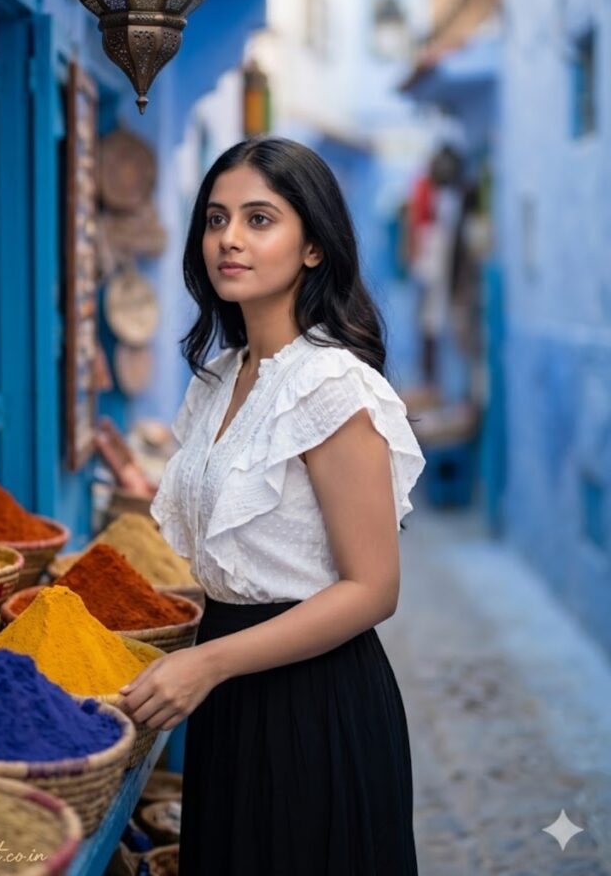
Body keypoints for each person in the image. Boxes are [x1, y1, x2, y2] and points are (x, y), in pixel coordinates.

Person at [118, 136, 426, 875]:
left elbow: (373, 588)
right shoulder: (222, 378)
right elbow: (237, 536)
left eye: (260, 219)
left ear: (313, 246)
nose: (229, 238)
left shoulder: (331, 388)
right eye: (217, 218)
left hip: (312, 701)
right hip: (229, 701)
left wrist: (209, 665)